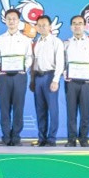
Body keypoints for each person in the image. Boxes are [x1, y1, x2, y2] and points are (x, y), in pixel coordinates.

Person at [0, 8, 33, 146]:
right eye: (9, 19)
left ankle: (16, 137)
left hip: (19, 76)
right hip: (3, 77)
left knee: (18, 107)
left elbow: (29, 57)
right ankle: (6, 137)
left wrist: (24, 68)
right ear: (5, 21)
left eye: (14, 19)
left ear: (18, 21)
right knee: (4, 107)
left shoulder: (26, 40)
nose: (11, 21)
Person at [63, 15, 89, 147]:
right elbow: (62, 62)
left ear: (84, 26)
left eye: (80, 23)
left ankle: (84, 138)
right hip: (70, 81)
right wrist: (65, 73)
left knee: (85, 111)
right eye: (74, 23)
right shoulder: (66, 43)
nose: (77, 26)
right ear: (71, 27)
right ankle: (71, 139)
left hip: (86, 82)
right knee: (71, 112)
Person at [30, 15, 64, 147]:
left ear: (50, 27)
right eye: (39, 25)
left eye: (44, 25)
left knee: (53, 109)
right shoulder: (36, 42)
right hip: (38, 77)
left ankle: (52, 138)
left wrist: (56, 80)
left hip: (50, 76)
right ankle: (41, 138)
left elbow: (60, 63)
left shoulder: (56, 42)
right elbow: (33, 62)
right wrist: (32, 80)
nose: (42, 27)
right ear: (36, 27)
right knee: (40, 109)